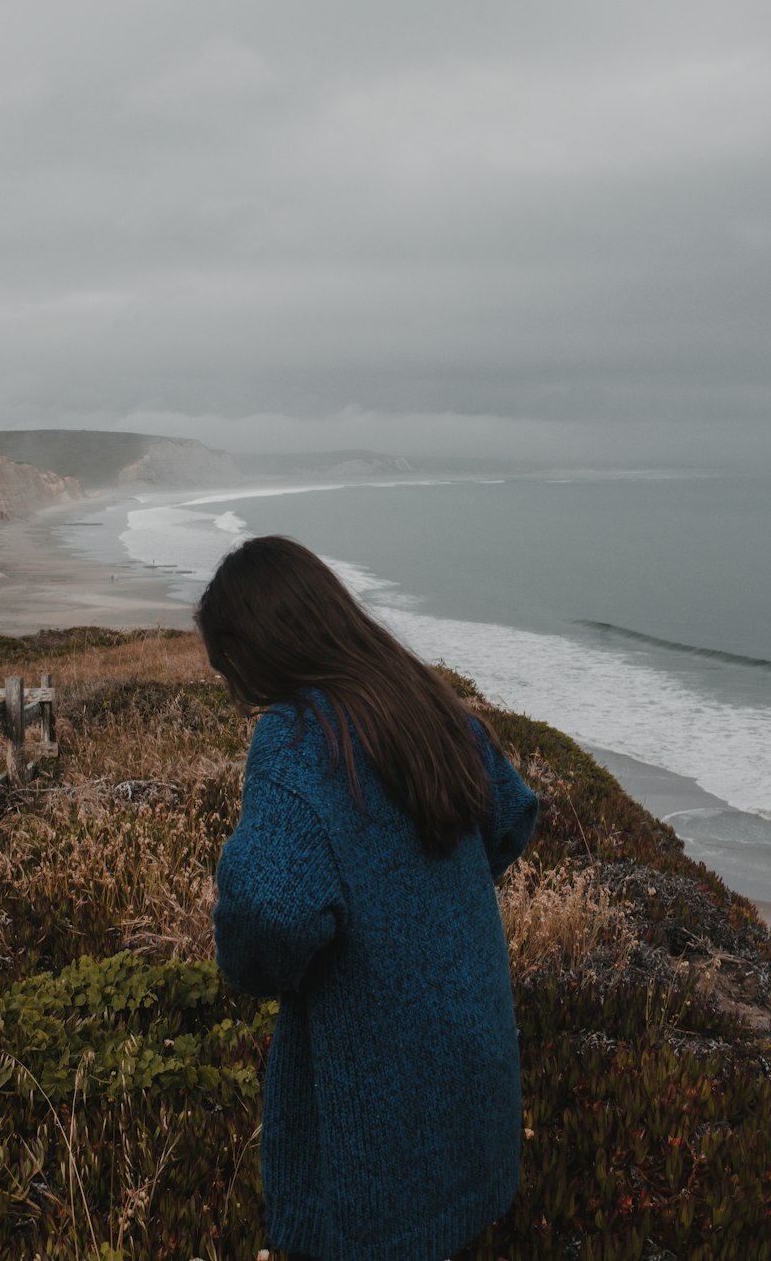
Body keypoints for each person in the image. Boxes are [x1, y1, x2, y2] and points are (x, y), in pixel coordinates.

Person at [196, 535, 540, 1261]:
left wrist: (254, 969)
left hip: (375, 1109)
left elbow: (267, 911)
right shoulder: (426, 699)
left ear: (255, 647)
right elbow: (510, 818)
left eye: (230, 670)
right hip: (476, 1076)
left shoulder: (296, 743)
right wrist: (431, 908)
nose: (237, 691)